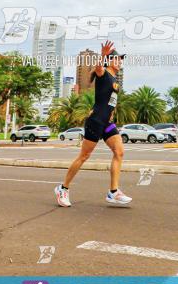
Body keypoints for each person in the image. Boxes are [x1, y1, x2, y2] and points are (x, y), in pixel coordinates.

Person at [55, 40, 131, 207]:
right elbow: (97, 68)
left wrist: (111, 115)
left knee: (119, 152)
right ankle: (63, 188)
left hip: (107, 122)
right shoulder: (103, 74)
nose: (120, 62)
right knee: (84, 156)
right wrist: (103, 55)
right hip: (95, 121)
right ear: (109, 61)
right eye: (117, 59)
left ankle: (113, 192)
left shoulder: (115, 80)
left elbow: (110, 102)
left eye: (120, 59)